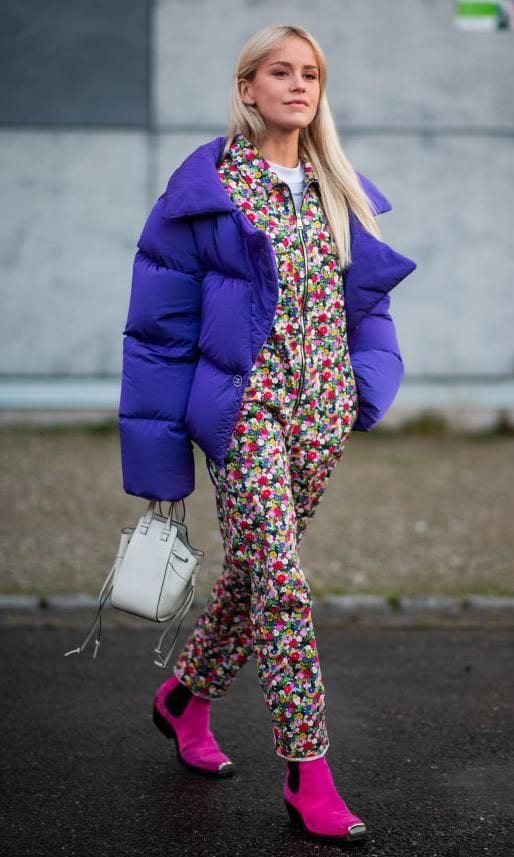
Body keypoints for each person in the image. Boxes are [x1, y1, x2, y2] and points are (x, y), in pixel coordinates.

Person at [118, 23, 417, 847]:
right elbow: (157, 331)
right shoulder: (207, 190)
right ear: (247, 88)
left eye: (310, 73)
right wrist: (158, 459)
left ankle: (183, 698)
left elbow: (369, 302)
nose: (297, 85)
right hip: (244, 409)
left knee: (254, 576)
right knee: (285, 581)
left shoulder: (339, 185)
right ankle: (307, 771)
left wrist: (368, 384)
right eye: (279, 72)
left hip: (322, 409)